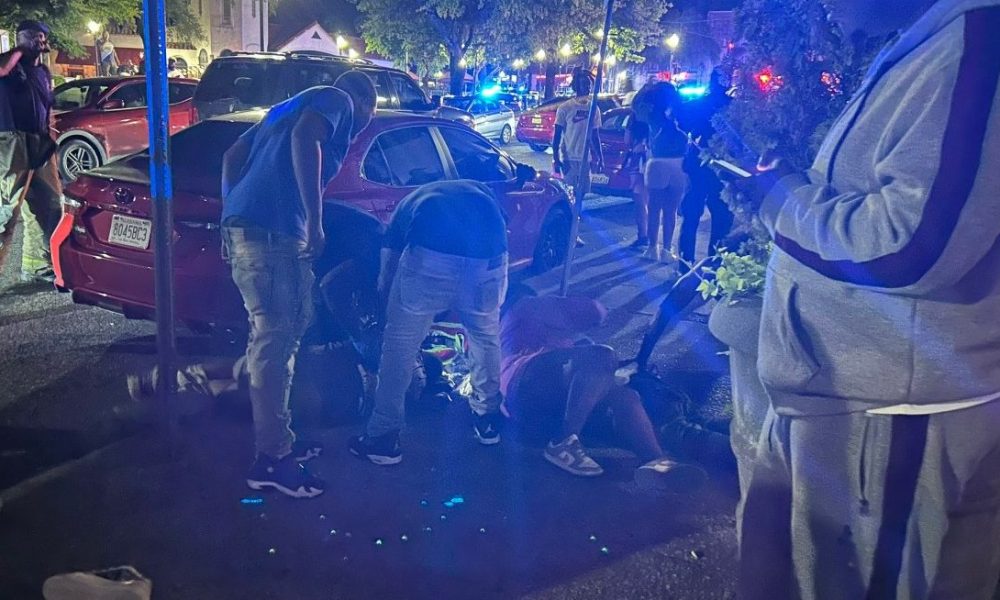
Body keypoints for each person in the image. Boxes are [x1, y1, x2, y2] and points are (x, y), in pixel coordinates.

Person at [739, 1, 1000, 598]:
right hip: (853, 404)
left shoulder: (977, 44)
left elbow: (913, 246)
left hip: (895, 420)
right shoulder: (935, 43)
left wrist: (781, 198)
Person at [219, 72, 377, 498]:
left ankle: (278, 438)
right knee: (276, 344)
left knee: (274, 338)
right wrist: (315, 221)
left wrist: (231, 212)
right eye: (369, 117)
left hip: (248, 232)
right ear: (365, 102)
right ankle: (272, 459)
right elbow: (306, 138)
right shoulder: (338, 98)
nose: (358, 129)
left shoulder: (281, 110)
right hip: (277, 234)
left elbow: (232, 156)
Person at [350, 180, 508, 465]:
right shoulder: (482, 194)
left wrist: (389, 313)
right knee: (485, 336)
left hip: (431, 256)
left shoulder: (406, 208)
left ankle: (383, 437)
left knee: (400, 345)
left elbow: (387, 271)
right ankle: (488, 419)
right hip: (489, 257)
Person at [499, 284, 706, 488]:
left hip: (536, 409)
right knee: (602, 354)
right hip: (523, 385)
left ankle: (656, 462)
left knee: (625, 396)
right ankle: (563, 441)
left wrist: (625, 367)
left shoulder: (538, 338)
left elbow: (587, 376)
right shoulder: (525, 305)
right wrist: (569, 304)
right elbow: (593, 312)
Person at [0, 20, 62, 283]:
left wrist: (50, 134)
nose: (41, 41)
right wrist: (19, 50)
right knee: (7, 213)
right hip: (12, 142)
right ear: (21, 38)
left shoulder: (43, 72)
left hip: (40, 143)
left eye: (43, 37)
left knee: (50, 204)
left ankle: (36, 264)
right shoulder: (10, 66)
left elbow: (48, 106)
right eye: (35, 36)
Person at [677, 70, 733, 273]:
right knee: (720, 216)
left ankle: (685, 263)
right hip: (721, 167)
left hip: (700, 164)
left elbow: (683, 124)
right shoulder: (731, 106)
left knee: (692, 214)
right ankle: (714, 264)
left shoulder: (700, 104)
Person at [632, 82, 688, 266]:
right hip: (679, 163)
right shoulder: (681, 115)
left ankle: (652, 247)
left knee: (654, 209)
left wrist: (646, 88)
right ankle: (667, 249)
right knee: (671, 211)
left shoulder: (652, 116)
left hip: (657, 164)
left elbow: (635, 106)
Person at [552, 67, 604, 199]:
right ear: (576, 86)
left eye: (589, 85)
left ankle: (579, 211)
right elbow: (557, 135)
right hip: (569, 158)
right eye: (584, 84)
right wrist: (556, 159)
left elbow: (595, 135)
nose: (587, 88)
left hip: (585, 159)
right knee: (569, 194)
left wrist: (600, 157)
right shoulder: (565, 108)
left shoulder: (594, 109)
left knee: (583, 193)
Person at [617, 109, 650, 251]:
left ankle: (643, 236)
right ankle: (655, 238)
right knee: (655, 202)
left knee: (641, 201)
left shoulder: (634, 117)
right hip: (657, 159)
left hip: (639, 160)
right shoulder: (661, 115)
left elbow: (627, 140)